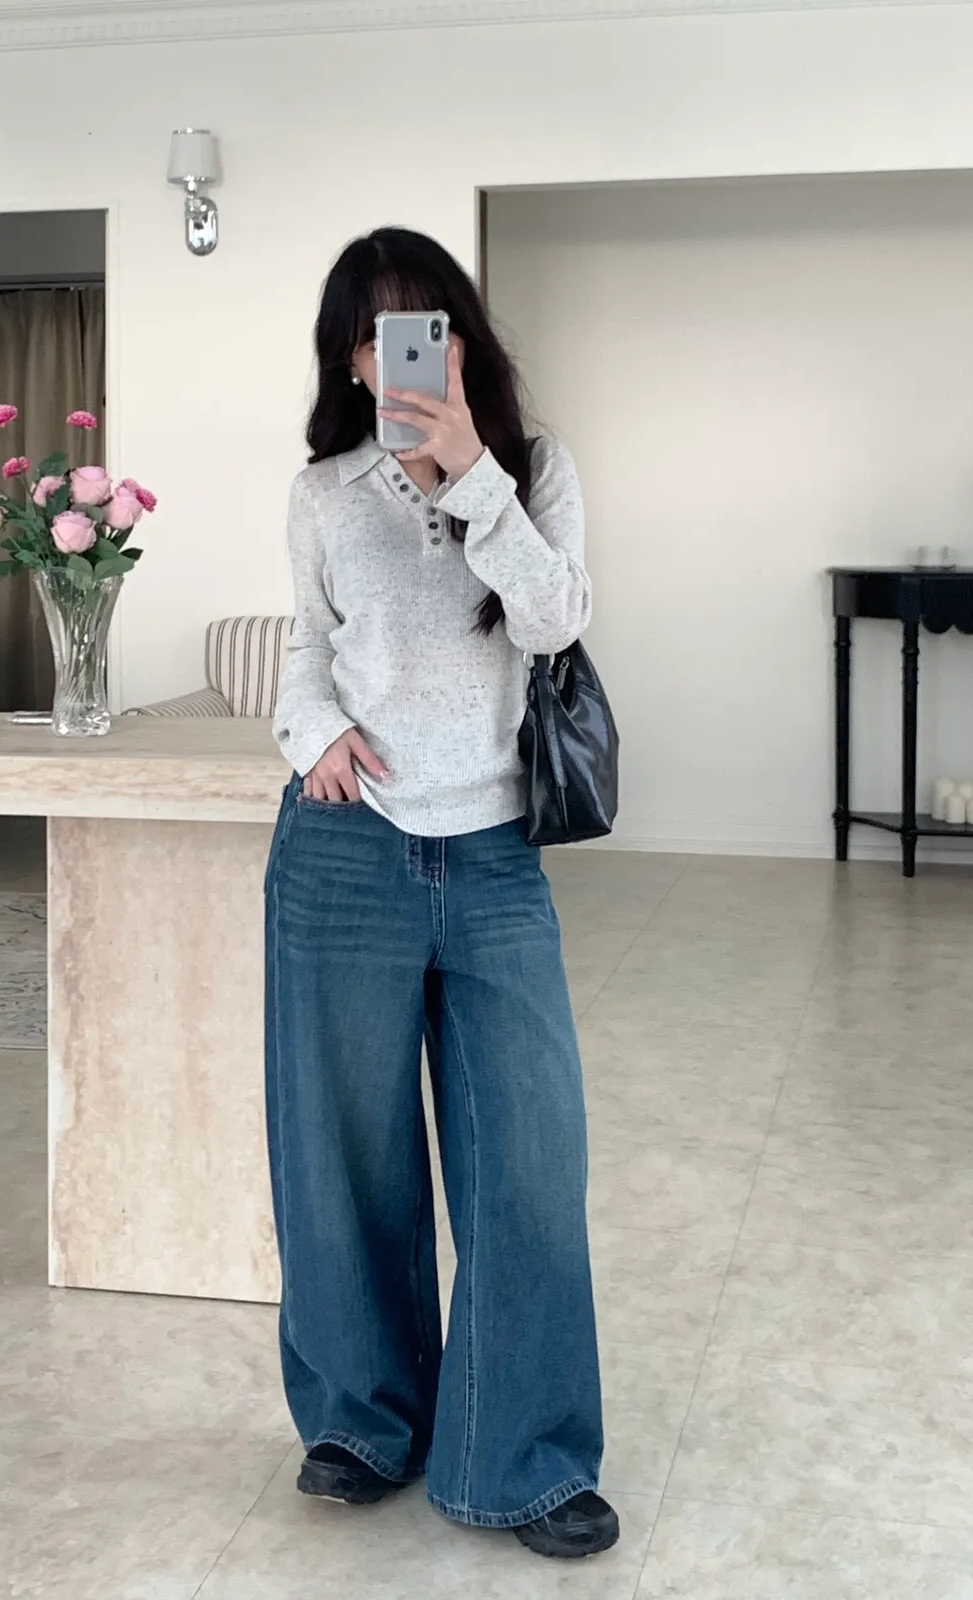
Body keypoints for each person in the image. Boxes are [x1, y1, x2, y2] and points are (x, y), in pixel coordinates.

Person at [265, 226, 616, 1561]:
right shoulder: (324, 491)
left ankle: (522, 1459)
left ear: (462, 339)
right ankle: (362, 1423)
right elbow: (307, 647)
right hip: (344, 845)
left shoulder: (535, 469)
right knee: (341, 1157)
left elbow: (556, 619)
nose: (400, 352)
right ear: (351, 363)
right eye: (375, 334)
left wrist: (471, 473)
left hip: (493, 852)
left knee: (528, 1160)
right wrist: (312, 736)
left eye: (425, 323)